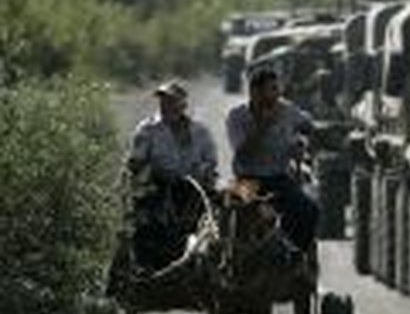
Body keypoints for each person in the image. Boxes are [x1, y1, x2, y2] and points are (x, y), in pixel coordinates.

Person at [119, 80, 218, 275]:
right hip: (161, 185)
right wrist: (136, 170)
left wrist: (203, 172)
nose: (166, 105)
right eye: (163, 101)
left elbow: (211, 160)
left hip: (195, 186)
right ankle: (143, 266)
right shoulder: (148, 129)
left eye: (172, 101)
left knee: (218, 221)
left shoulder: (200, 131)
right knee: (144, 220)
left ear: (183, 105)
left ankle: (217, 267)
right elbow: (136, 160)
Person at [226, 68, 319, 254]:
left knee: (309, 210)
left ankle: (294, 252)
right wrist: (263, 125)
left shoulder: (287, 110)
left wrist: (302, 143)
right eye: (271, 90)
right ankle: (230, 260)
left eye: (277, 89)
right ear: (254, 92)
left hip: (278, 178)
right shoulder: (237, 116)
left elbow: (308, 125)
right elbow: (243, 151)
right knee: (234, 215)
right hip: (247, 180)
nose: (276, 95)